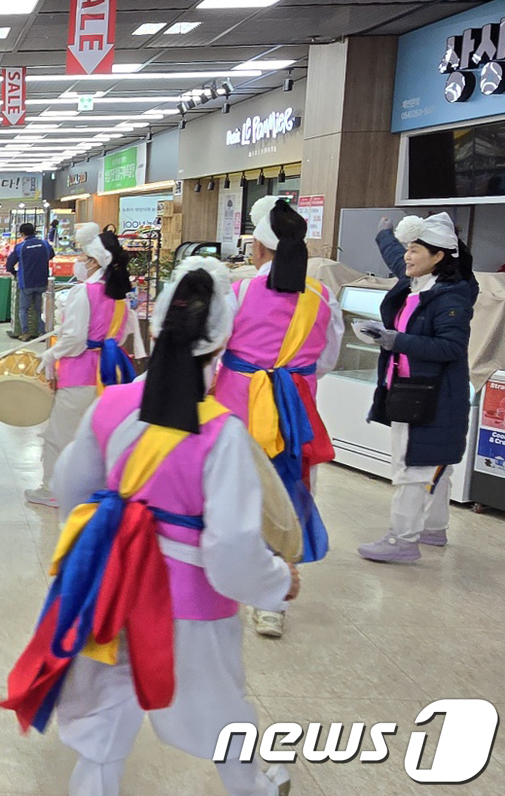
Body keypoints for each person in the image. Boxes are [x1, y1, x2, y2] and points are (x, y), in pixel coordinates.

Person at [0, 256, 295, 796]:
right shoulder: (222, 435)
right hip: (190, 603)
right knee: (218, 710)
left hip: (109, 589)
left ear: (155, 329)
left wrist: (106, 544)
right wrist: (276, 583)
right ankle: (254, 785)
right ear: (220, 347)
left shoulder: (112, 404)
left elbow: (72, 486)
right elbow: (230, 550)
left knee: (103, 719)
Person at [211, 197, 341, 639]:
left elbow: (213, 351)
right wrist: (290, 376)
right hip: (295, 413)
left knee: (231, 496)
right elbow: (327, 359)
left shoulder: (239, 290)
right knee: (286, 501)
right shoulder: (323, 295)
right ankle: (272, 603)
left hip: (237, 410)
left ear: (259, 248)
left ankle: (222, 583)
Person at [357, 213, 477, 563]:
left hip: (430, 396)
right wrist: (384, 235)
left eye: (415, 250)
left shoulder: (450, 296)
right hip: (411, 390)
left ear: (439, 256)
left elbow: (451, 348)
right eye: (407, 248)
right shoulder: (419, 281)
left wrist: (395, 340)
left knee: (413, 467)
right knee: (434, 464)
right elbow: (397, 259)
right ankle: (433, 528)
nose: (407, 257)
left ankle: (402, 539)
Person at [25, 223, 145, 508]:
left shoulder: (84, 293)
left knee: (60, 434)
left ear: (93, 261)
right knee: (100, 434)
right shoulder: (119, 296)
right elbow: (128, 333)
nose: (79, 261)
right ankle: (98, 487)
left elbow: (75, 339)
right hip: (112, 372)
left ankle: (54, 489)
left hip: (80, 373)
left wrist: (51, 355)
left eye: (82, 256)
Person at [6, 223, 53, 342]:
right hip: (42, 280)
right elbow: (51, 255)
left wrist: (14, 272)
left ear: (22, 234)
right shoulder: (44, 244)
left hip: (26, 282)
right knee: (40, 309)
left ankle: (25, 333)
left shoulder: (20, 247)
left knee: (24, 309)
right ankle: (42, 333)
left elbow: (9, 263)